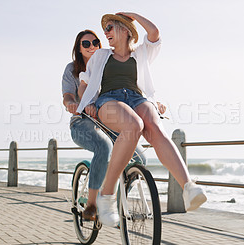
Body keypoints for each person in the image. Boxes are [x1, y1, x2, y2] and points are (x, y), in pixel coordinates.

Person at [76, 12, 207, 227]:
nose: (106, 32)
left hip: (137, 97)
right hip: (108, 100)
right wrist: (86, 103)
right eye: (105, 29)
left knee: (155, 127)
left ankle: (189, 187)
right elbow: (85, 83)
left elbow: (154, 33)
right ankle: (106, 196)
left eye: (110, 28)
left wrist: (132, 15)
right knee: (134, 125)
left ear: (125, 30)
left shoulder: (141, 54)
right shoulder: (101, 56)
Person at [62, 29, 147, 221]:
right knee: (104, 146)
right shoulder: (72, 69)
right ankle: (92, 205)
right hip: (82, 122)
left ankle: (112, 200)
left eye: (95, 42)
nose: (92, 46)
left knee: (140, 158)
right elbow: (68, 95)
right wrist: (72, 104)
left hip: (107, 121)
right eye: (86, 44)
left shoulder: (107, 63)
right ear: (79, 48)